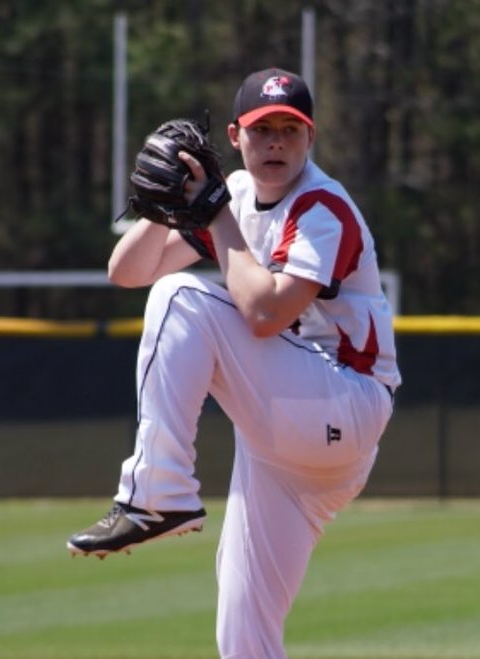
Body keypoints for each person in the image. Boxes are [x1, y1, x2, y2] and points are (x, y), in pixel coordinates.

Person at [68, 67, 400, 658]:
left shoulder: (322, 206)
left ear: (310, 139)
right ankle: (161, 493)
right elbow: (126, 272)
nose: (276, 142)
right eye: (262, 128)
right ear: (236, 136)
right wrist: (165, 206)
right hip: (284, 441)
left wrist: (215, 211)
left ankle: (160, 493)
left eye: (290, 130)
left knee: (181, 298)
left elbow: (265, 315)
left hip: (344, 403)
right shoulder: (239, 198)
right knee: (243, 630)